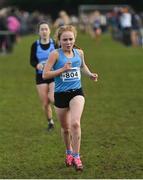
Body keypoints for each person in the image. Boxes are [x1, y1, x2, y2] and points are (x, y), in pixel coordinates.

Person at [43, 25, 98, 171]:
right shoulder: (55, 54)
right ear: (59, 40)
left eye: (71, 39)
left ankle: (77, 156)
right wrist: (62, 70)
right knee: (66, 128)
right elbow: (45, 74)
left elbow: (82, 66)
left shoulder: (79, 52)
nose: (68, 42)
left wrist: (90, 74)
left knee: (75, 124)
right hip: (60, 95)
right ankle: (68, 152)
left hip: (76, 93)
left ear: (75, 39)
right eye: (65, 39)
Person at [30, 21, 56, 131]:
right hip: (41, 77)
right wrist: (37, 65)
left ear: (49, 31)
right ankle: (50, 122)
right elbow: (31, 61)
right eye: (42, 29)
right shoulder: (35, 45)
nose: (44, 31)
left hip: (53, 75)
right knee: (45, 103)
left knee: (52, 98)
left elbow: (61, 58)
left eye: (46, 29)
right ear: (39, 32)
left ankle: (65, 117)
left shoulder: (55, 43)